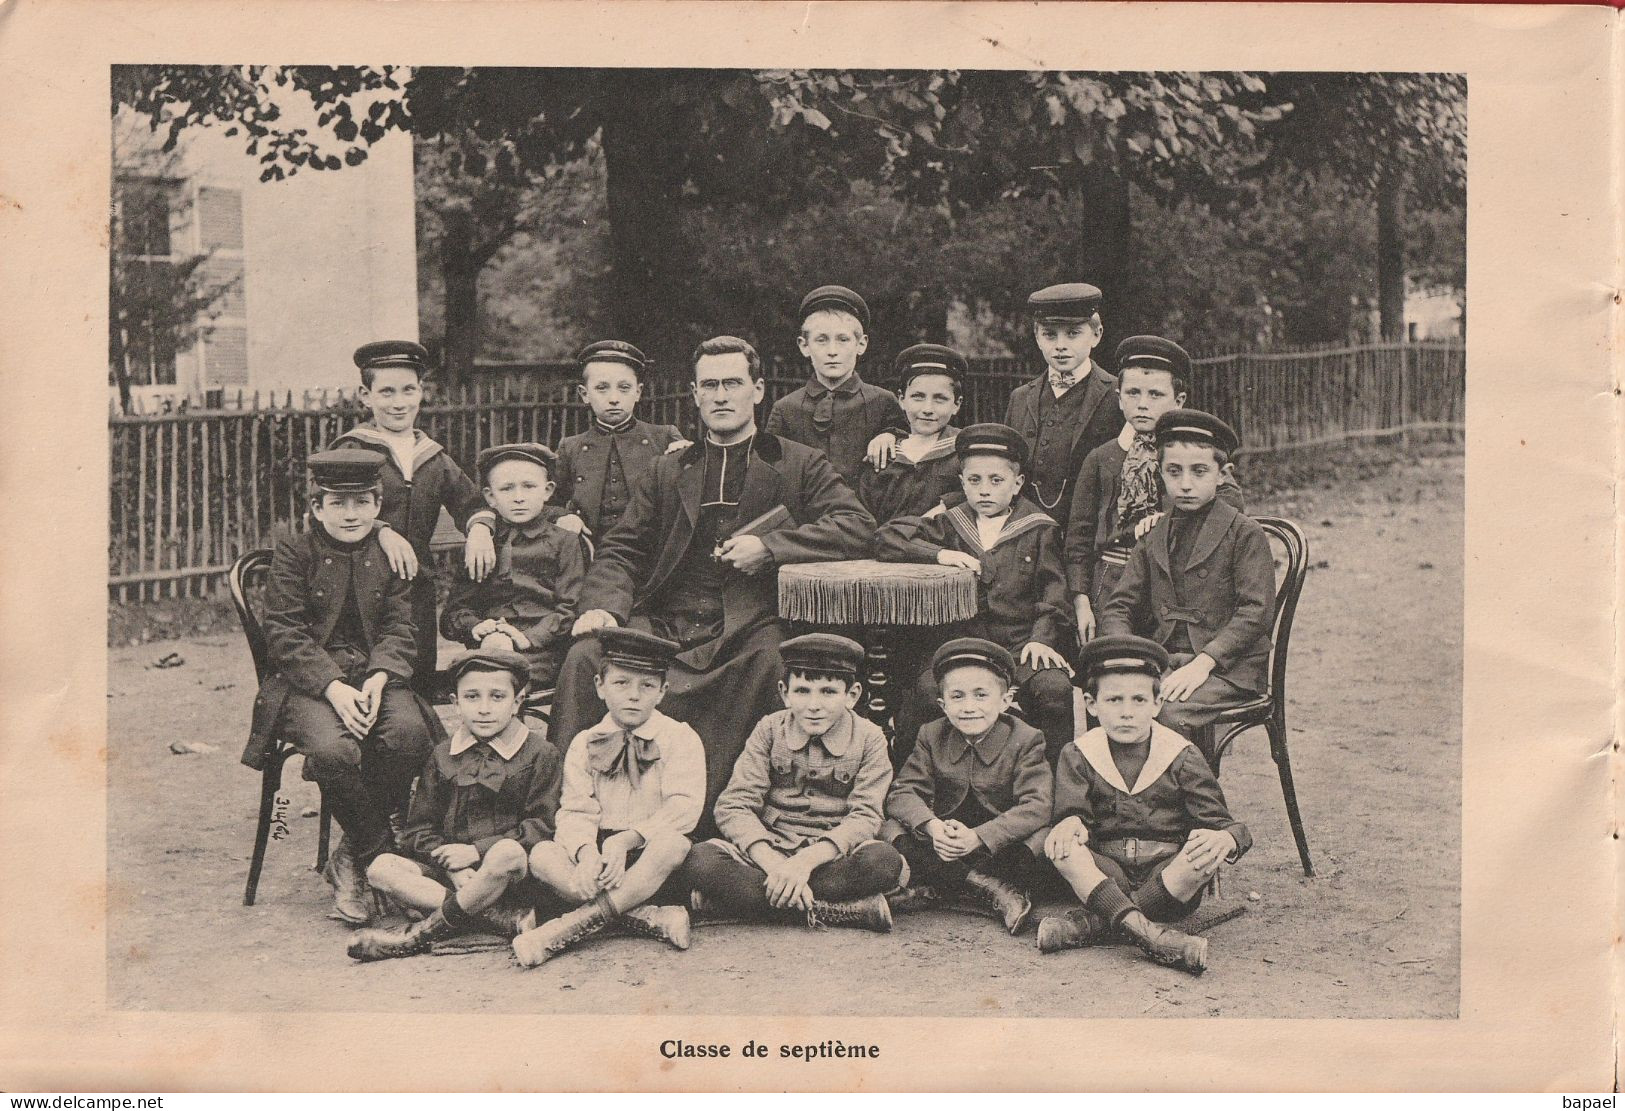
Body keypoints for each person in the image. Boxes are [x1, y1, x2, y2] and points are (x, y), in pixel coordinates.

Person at [551, 335, 877, 824]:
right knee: (585, 658)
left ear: (758, 390)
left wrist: (772, 548)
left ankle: (737, 823)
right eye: (710, 386)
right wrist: (604, 606)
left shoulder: (798, 462)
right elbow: (623, 548)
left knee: (774, 666)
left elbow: (856, 526)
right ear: (696, 395)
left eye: (732, 383)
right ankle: (575, 817)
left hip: (750, 623)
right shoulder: (668, 468)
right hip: (665, 622)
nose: (721, 396)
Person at [241, 449, 437, 924]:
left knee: (409, 734)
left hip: (375, 677)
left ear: (377, 506)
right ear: (317, 508)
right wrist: (332, 686)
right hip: (304, 685)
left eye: (361, 503)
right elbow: (284, 633)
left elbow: (401, 626)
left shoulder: (391, 552)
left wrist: (380, 676)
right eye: (337, 503)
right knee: (333, 752)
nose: (350, 515)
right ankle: (377, 860)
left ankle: (348, 857)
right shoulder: (295, 551)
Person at [1037, 635, 1251, 974]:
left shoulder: (1180, 754)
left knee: (1200, 855)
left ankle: (1091, 925)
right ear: (1092, 705)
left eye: (1138, 700)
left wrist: (1225, 839)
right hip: (1107, 874)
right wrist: (1069, 822)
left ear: (1157, 703)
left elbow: (1227, 825)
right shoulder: (1078, 753)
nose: (1126, 712)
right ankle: (1154, 937)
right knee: (1060, 846)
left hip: (1167, 878)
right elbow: (1071, 811)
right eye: (1114, 700)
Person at [874, 423, 1075, 764]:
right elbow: (887, 537)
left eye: (996, 481)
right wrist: (942, 554)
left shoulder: (1039, 528)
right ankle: (907, 784)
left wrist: (1042, 639)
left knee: (1054, 691)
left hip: (1018, 647)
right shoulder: (951, 523)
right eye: (974, 480)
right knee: (923, 692)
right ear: (962, 482)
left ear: (1017, 484)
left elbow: (1053, 593)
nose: (984, 491)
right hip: (959, 646)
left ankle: (1054, 787)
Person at [346, 648, 564, 960]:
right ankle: (498, 919)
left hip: (511, 874)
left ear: (517, 702)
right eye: (472, 697)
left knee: (507, 853)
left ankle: (424, 931)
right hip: (452, 874)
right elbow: (418, 830)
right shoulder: (442, 755)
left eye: (497, 697)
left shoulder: (541, 754)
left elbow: (542, 827)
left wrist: (476, 852)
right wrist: (451, 867)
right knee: (381, 868)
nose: (484, 708)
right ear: (455, 703)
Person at [681, 634, 905, 932]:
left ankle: (741, 905)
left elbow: (866, 815)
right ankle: (838, 910)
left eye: (828, 692)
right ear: (785, 693)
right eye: (802, 691)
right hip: (769, 852)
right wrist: (775, 864)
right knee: (700, 860)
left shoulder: (869, 737)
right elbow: (734, 805)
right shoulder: (770, 729)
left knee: (883, 862)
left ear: (852, 695)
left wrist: (805, 863)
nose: (814, 705)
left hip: (831, 857)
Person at [515, 629, 704, 966]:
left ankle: (562, 929)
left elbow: (683, 808)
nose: (634, 696)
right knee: (542, 855)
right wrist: (587, 855)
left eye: (647, 686)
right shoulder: (585, 742)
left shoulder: (680, 738)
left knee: (675, 845)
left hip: (649, 860)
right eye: (621, 683)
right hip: (597, 859)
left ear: (662, 692)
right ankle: (647, 917)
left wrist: (625, 842)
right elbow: (575, 810)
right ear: (600, 686)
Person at [1098, 410, 1276, 757]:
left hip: (1227, 669)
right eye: (1174, 472)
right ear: (1161, 473)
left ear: (1222, 475)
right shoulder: (1155, 533)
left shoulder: (1245, 533)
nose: (1186, 484)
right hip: (1165, 659)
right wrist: (1130, 658)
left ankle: (1192, 806)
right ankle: (1136, 804)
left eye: (1199, 471)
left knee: (1165, 713)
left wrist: (1206, 661)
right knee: (1115, 703)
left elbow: (1256, 612)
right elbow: (1120, 604)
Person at [330, 340, 498, 696]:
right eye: (386, 392)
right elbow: (328, 511)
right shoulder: (352, 449)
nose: (398, 402)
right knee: (369, 679)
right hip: (359, 588)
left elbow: (471, 503)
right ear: (366, 395)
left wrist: (481, 528)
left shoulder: (433, 457)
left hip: (416, 590)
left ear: (421, 392)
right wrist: (380, 530)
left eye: (408, 390)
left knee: (416, 685)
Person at [1065, 336, 1244, 640]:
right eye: (1133, 393)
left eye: (1156, 394)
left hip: (1170, 583)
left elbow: (1231, 501)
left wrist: (1172, 518)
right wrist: (1082, 602)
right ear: (1119, 398)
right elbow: (1078, 540)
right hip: (1110, 584)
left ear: (1179, 400)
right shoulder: (1101, 458)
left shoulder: (1189, 455)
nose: (1143, 404)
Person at [882, 638, 1052, 935]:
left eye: (981, 695)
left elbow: (1037, 805)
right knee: (889, 828)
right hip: (944, 845)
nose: (969, 707)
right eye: (957, 697)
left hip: (997, 845)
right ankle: (986, 889)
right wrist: (933, 828)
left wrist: (979, 837)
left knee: (1043, 839)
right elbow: (903, 792)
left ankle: (943, 888)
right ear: (942, 704)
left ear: (1005, 700)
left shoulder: (1026, 738)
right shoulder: (932, 734)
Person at [440, 442, 586, 693]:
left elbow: (570, 609)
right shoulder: (482, 544)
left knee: (497, 681)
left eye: (529, 486)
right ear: (490, 497)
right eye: (507, 488)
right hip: (489, 645)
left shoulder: (564, 541)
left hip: (544, 650)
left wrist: (527, 638)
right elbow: (453, 614)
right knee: (481, 677)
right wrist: (476, 626)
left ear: (548, 491)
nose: (519, 497)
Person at [1002, 283, 1124, 533]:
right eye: (1049, 334)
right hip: (1028, 535)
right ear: (1037, 336)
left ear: (1096, 334)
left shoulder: (1118, 395)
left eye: (1072, 333)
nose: (1060, 345)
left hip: (1089, 535)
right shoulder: (1020, 398)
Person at [765, 285, 907, 488]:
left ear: (861, 344)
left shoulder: (883, 402)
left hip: (869, 514)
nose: (832, 351)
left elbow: (911, 453)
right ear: (804, 346)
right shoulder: (786, 409)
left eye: (843, 340)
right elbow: (770, 474)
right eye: (821, 340)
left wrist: (891, 434)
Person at [551, 340, 690, 540]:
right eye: (602, 388)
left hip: (649, 549)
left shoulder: (664, 437)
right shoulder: (570, 447)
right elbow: (550, 502)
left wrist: (690, 458)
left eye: (624, 388)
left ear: (638, 392)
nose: (614, 398)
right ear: (584, 394)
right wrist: (565, 516)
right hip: (591, 548)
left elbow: (692, 494)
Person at [857, 343, 965, 524]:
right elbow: (863, 518)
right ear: (901, 399)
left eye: (940, 399)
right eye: (918, 397)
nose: (927, 409)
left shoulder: (964, 452)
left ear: (956, 404)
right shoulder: (883, 455)